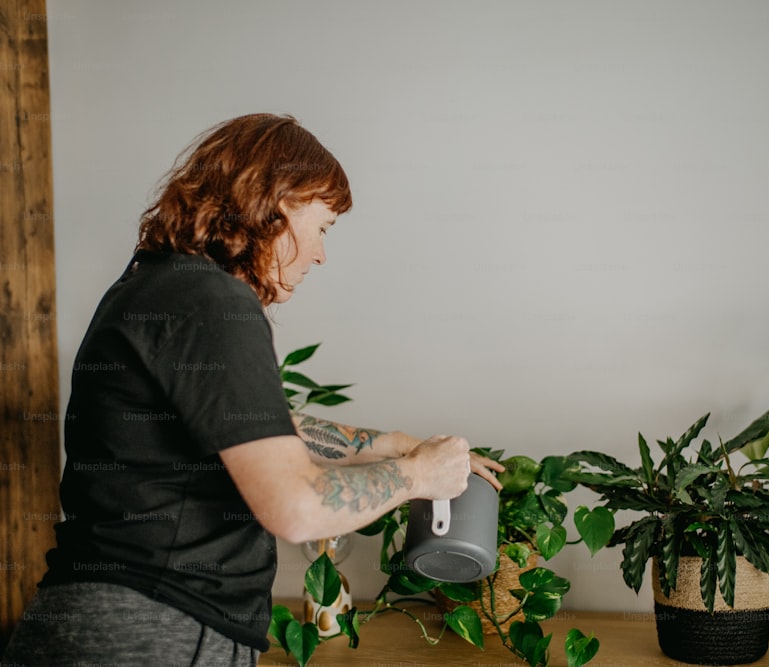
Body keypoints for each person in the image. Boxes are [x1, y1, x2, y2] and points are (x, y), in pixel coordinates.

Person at [1, 113, 503, 666]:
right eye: (324, 227)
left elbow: (253, 428)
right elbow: (296, 508)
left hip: (101, 624)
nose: (320, 255)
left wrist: (388, 444)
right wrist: (418, 477)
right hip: (156, 632)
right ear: (282, 201)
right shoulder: (213, 303)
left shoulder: (159, 285)